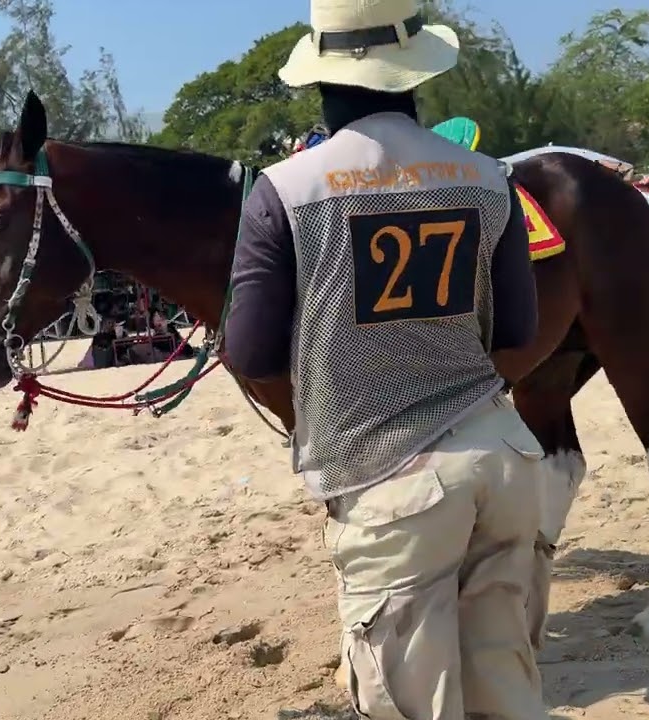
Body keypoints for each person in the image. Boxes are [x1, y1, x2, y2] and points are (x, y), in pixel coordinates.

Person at [223, 1, 547, 718]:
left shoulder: (284, 191)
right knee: (508, 685)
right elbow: (516, 330)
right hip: (503, 458)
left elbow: (247, 352)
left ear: (320, 78)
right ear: (414, 73)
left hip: (388, 480)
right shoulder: (488, 178)